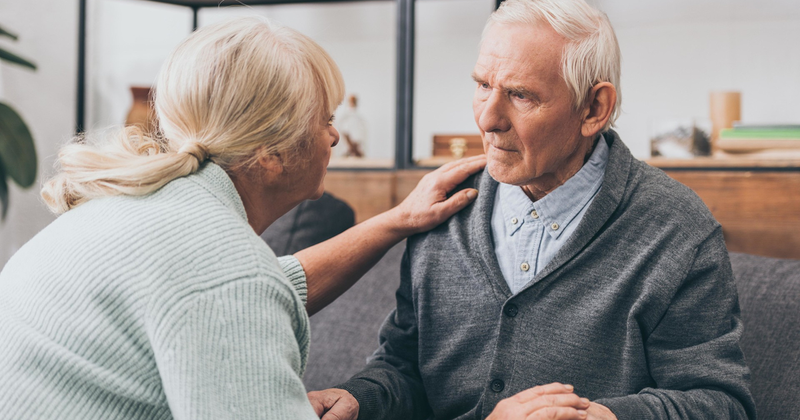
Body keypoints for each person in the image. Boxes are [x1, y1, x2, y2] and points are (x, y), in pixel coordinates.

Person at [0, 17, 486, 420]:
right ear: (271, 154)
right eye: (324, 119)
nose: (335, 137)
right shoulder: (225, 274)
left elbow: (267, 285)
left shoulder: (133, 209)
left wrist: (396, 220)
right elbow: (234, 288)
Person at [309, 0, 756, 419]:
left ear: (594, 108)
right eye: (483, 85)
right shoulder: (441, 207)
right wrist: (359, 397)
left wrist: (607, 416)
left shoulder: (677, 228)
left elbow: (720, 402)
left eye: (521, 95)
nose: (487, 119)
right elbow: (404, 366)